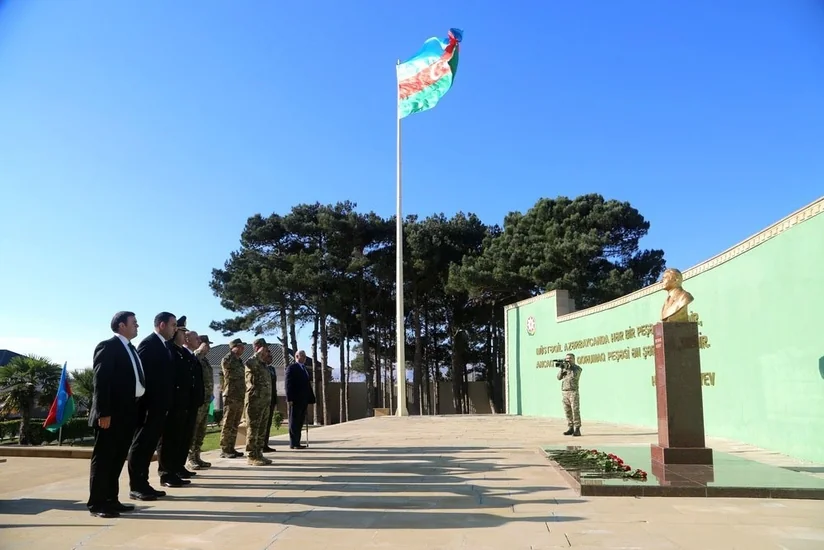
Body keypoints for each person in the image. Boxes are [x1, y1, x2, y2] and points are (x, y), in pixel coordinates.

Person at [87, 311, 145, 518]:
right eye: (134, 323)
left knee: (117, 458)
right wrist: (104, 412)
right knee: (104, 459)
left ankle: (112, 499)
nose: (137, 326)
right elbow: (101, 382)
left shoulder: (131, 348)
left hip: (127, 412)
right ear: (122, 325)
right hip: (110, 414)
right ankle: (98, 503)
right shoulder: (108, 347)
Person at [128, 312, 177, 501]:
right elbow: (142, 377)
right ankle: (137, 486)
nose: (175, 329)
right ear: (162, 325)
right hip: (148, 406)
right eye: (173, 325)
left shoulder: (164, 345)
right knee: (141, 446)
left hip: (160, 406)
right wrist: (147, 404)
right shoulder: (149, 344)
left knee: (149, 447)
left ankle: (144, 483)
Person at [156, 317, 195, 487]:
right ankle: (167, 473)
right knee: (168, 440)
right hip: (172, 403)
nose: (184, 336)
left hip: (183, 403)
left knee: (179, 438)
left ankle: (176, 469)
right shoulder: (169, 349)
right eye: (182, 332)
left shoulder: (180, 352)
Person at [244, 338, 273, 466]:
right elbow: (249, 363)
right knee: (253, 430)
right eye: (264, 348)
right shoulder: (252, 361)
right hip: (254, 401)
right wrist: (258, 353)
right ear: (257, 347)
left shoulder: (262, 364)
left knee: (262, 430)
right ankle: (251, 456)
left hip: (264, 402)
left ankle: (259, 454)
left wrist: (266, 356)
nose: (266, 351)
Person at [187, 334, 214, 470]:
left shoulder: (206, 361)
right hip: (198, 401)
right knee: (194, 429)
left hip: (206, 400)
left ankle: (197, 456)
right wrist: (200, 350)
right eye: (207, 344)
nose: (208, 348)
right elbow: (192, 360)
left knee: (201, 431)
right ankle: (190, 458)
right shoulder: (194, 356)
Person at [219, 338, 247, 458]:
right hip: (230, 395)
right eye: (240, 346)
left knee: (235, 423)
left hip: (239, 395)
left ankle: (231, 448)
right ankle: (225, 449)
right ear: (234, 347)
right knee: (228, 423)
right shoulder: (227, 358)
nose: (243, 349)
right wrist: (232, 353)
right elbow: (226, 369)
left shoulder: (240, 361)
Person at [285, 350, 315, 450]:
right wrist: (289, 398)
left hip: (304, 399)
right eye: (302, 356)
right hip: (295, 399)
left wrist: (311, 398)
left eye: (305, 356)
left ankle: (297, 442)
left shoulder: (304, 368)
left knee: (300, 421)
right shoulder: (292, 368)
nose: (304, 358)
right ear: (297, 356)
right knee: (294, 421)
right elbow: (288, 384)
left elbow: (307, 384)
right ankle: (293, 443)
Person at [558, 353, 583, 436]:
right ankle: (570, 427)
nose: (568, 360)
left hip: (573, 392)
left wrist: (570, 368)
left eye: (570, 358)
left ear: (573, 359)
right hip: (565, 392)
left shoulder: (577, 368)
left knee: (575, 410)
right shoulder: (565, 368)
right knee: (567, 411)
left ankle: (577, 428)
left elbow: (574, 377)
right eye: (567, 358)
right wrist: (562, 369)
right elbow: (558, 377)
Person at [264, 359, 278, 453]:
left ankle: (265, 444)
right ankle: (260, 445)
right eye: (268, 354)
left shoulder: (272, 368)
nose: (270, 356)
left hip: (271, 398)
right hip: (263, 399)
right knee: (263, 424)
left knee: (268, 423)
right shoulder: (261, 367)